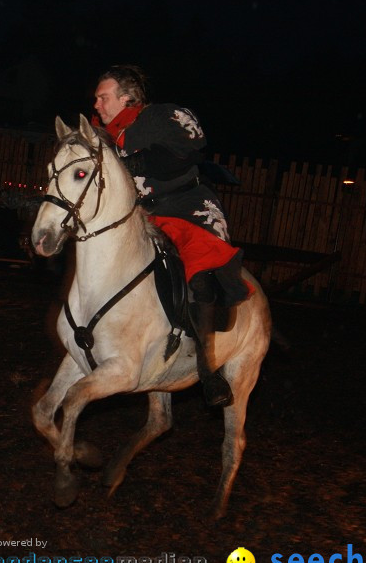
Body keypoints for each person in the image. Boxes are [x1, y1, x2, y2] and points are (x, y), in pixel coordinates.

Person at [91, 65, 250, 407]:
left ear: (127, 98)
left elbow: (185, 153)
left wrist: (139, 161)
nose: (98, 106)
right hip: (140, 216)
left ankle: (209, 371)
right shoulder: (99, 135)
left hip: (185, 208)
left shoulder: (163, 117)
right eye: (96, 100)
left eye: (104, 98)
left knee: (202, 274)